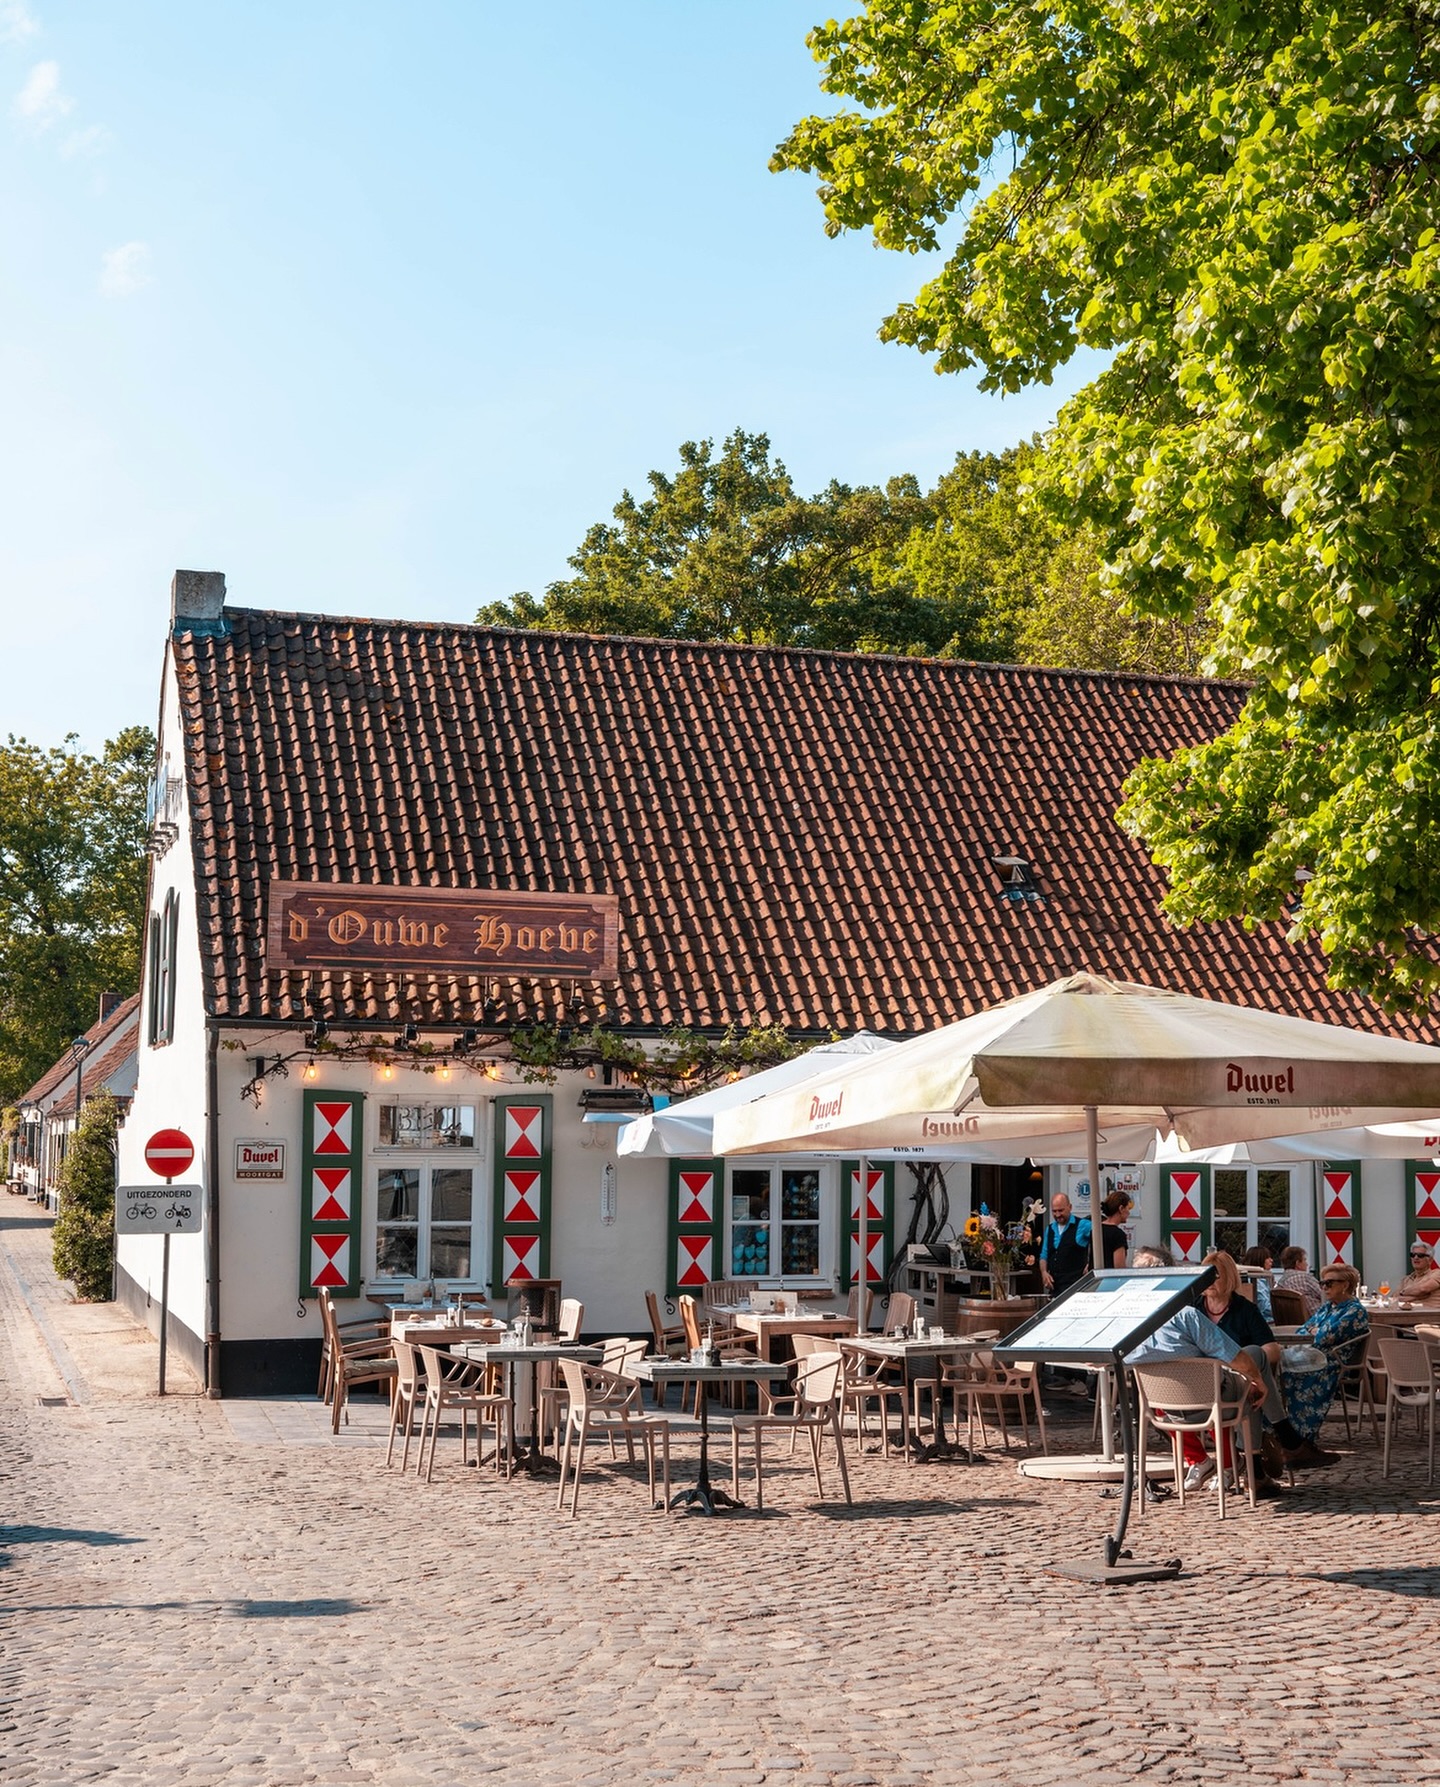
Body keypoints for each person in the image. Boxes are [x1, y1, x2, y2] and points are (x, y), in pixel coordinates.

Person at [1124, 1244, 1299, 1497]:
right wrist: (1257, 1380)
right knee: (1241, 1384)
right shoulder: (1188, 1314)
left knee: (1245, 1364)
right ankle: (1259, 1460)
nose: (1209, 1282)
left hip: (1164, 1406)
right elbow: (1237, 1358)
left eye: (1215, 1276)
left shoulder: (1128, 1323)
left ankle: (1241, 1462)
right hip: (1208, 1398)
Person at [1281, 1263, 1368, 1461]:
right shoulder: (1328, 1307)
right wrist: (1315, 1332)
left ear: (1345, 1285)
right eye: (1322, 1283)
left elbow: (1323, 1337)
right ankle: (1284, 1434)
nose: (1324, 1288)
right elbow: (1303, 1330)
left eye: (1329, 1283)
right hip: (1312, 1356)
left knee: (1293, 1375)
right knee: (1276, 1370)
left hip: (1333, 1363)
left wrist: (1315, 1332)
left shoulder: (1355, 1311)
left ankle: (1302, 1438)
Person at [1040, 1192, 1093, 1295]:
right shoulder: (1050, 1229)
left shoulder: (1082, 1225)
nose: (1057, 1215)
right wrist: (1044, 1272)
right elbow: (1044, 1255)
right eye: (1054, 1211)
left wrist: (1091, 1263)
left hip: (1076, 1287)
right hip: (1055, 1288)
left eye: (1061, 1210)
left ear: (1070, 1207)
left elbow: (1102, 1238)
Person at [1274, 1246, 1324, 1317]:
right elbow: (1325, 1295)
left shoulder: (1280, 1285)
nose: (1307, 1264)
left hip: (1292, 1321)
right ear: (1297, 1263)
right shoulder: (1306, 1278)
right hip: (1318, 1319)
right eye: (1304, 1260)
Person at [1241, 1244, 1275, 1322]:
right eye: (1267, 1258)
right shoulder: (1257, 1282)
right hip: (1265, 1321)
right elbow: (1265, 1308)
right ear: (1259, 1259)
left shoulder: (1264, 1279)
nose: (1271, 1260)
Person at [1100, 1192, 1132, 1270]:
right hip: (1109, 1276)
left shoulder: (1096, 1230)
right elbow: (1119, 1267)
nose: (1129, 1213)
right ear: (1121, 1208)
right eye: (1128, 1208)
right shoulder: (1118, 1234)